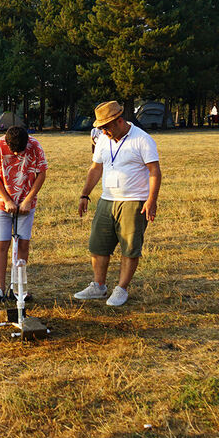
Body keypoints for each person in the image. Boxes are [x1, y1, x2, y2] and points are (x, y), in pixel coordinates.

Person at [75, 101, 160, 307]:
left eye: (106, 127)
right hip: (107, 199)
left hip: (133, 201)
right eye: (100, 128)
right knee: (98, 245)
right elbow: (96, 168)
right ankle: (98, 285)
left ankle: (121, 289)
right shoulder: (103, 139)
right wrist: (85, 195)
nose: (103, 132)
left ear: (119, 121)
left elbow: (154, 171)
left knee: (129, 248)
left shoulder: (142, 139)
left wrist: (151, 200)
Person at [0, 126, 48, 301]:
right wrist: (6, 200)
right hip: (1, 204)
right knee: (2, 244)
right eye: (14, 150)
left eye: (20, 150)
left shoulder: (35, 146)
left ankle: (18, 287)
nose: (17, 154)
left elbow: (41, 174)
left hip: (26, 205)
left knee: (23, 244)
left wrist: (28, 200)